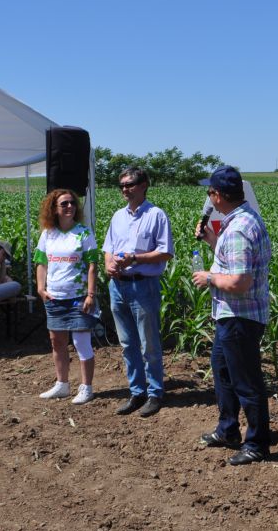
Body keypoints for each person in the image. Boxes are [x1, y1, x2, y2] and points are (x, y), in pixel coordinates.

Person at [191, 165, 272, 466]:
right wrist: (213, 240)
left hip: (240, 316)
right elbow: (232, 262)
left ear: (219, 195)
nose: (208, 197)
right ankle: (228, 430)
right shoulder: (238, 221)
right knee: (223, 372)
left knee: (246, 381)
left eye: (210, 192)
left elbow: (240, 281)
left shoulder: (238, 229)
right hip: (230, 315)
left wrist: (208, 278)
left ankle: (257, 443)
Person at [102, 167, 174, 418]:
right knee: (126, 343)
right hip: (118, 285)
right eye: (121, 185)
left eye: (129, 184)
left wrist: (135, 257)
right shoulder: (117, 216)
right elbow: (108, 248)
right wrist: (109, 265)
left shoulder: (156, 215)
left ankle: (155, 393)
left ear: (144, 185)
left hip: (143, 285)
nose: (124, 189)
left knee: (149, 343)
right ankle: (136, 392)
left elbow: (165, 252)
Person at [34, 189, 98, 405]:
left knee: (82, 343)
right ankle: (62, 385)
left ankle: (86, 387)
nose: (69, 207)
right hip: (54, 297)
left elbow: (92, 266)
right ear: (54, 208)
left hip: (78, 297)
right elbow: (41, 262)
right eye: (64, 204)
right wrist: (41, 289)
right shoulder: (47, 233)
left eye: (72, 203)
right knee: (57, 342)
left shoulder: (84, 232)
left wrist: (91, 294)